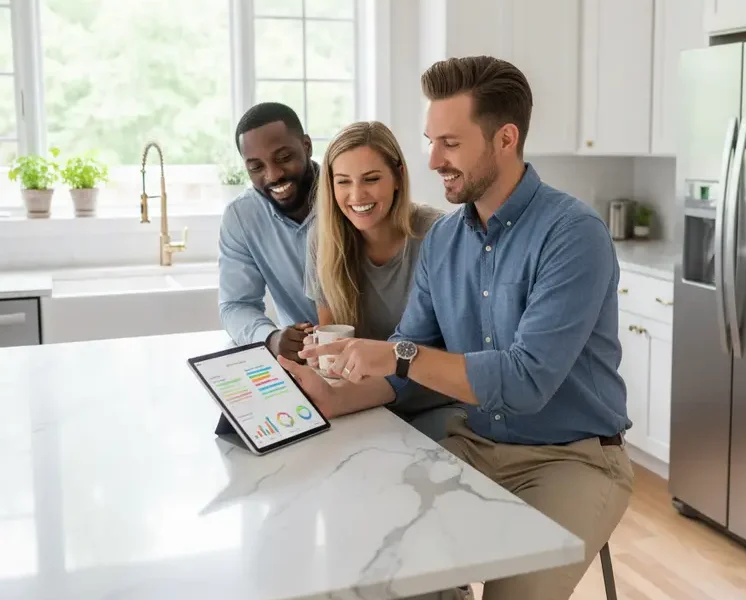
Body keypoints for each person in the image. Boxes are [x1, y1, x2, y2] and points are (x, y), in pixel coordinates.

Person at [280, 55, 634, 599]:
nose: (432, 159)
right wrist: (327, 398)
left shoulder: (572, 235)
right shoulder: (444, 242)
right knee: (370, 565)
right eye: (430, 141)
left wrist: (394, 355)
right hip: (475, 441)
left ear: (505, 139)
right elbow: (405, 366)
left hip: (572, 457)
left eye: (449, 143)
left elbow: (523, 382)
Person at [303, 120, 464, 442]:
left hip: (436, 402)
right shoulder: (323, 241)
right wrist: (321, 352)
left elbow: (462, 354)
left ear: (398, 177)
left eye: (371, 179)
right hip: (366, 402)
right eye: (343, 182)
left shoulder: (441, 235)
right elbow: (333, 335)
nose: (356, 195)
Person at [218, 102, 320, 361]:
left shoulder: (348, 197)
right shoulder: (241, 217)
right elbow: (236, 305)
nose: (273, 175)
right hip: (305, 364)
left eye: (284, 158)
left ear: (306, 146)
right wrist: (272, 338)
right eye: (256, 167)